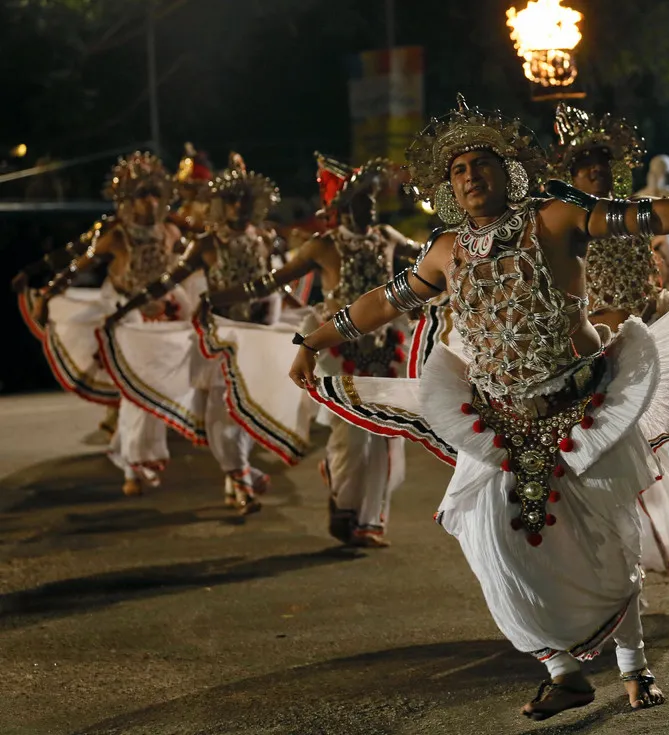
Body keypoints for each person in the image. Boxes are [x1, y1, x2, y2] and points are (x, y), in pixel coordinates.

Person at [288, 94, 669, 720]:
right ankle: (561, 668)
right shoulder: (445, 251)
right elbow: (383, 304)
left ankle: (634, 665)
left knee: (609, 536)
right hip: (501, 420)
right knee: (489, 537)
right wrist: (311, 339)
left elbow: (641, 216)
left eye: (482, 164)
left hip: (585, 403)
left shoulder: (554, 217)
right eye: (459, 170)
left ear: (509, 171)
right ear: (449, 187)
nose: (471, 176)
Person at [549, 104, 669, 603]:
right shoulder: (557, 227)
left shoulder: (632, 215)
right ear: (569, 170)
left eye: (603, 158)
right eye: (586, 158)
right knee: (598, 481)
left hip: (656, 344)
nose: (596, 166)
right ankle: (604, 588)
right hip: (598, 365)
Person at [204, 153, 420, 545]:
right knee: (352, 434)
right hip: (338, 348)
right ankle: (345, 504)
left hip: (388, 349)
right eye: (359, 199)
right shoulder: (324, 246)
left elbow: (428, 263)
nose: (369, 205)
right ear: (339, 207)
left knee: (389, 432)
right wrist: (215, 298)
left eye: (371, 198)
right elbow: (270, 283)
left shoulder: (388, 238)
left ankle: (369, 520)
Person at [102, 154, 281, 513]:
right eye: (232, 199)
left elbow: (277, 282)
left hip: (256, 337)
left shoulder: (263, 240)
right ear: (221, 204)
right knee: (219, 412)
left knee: (245, 412)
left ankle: (239, 481)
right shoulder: (206, 244)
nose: (239, 206)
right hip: (214, 337)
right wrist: (122, 310)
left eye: (245, 198)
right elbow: (168, 281)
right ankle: (241, 476)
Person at [32, 152, 189, 495]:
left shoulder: (171, 230)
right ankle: (133, 464)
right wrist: (49, 293)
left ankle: (131, 453)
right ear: (127, 200)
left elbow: (190, 262)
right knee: (137, 389)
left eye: (154, 193)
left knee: (152, 390)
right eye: (141, 194)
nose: (149, 201)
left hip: (161, 316)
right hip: (122, 317)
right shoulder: (117, 236)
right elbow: (81, 266)